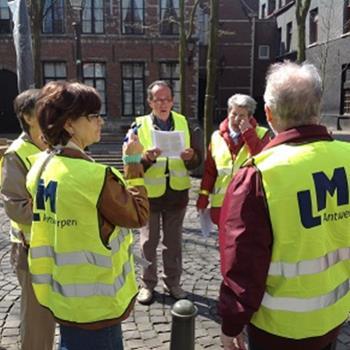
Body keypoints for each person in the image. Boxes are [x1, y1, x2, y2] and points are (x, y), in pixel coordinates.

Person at [219, 61, 350, 350]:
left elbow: (243, 264)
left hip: (279, 328)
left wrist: (231, 324)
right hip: (335, 314)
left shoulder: (260, 175)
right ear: (317, 106)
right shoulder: (347, 156)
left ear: (268, 114)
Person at [26, 81, 149, 350]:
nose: (100, 121)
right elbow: (138, 215)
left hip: (61, 293)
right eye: (93, 116)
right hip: (96, 303)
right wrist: (132, 164)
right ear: (69, 124)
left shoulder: (40, 166)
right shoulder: (96, 177)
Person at [133, 80, 201, 304]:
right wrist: (146, 158)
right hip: (150, 196)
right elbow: (129, 162)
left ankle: (173, 282)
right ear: (150, 102)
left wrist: (191, 157)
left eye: (167, 99)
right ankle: (146, 283)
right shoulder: (138, 126)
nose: (163, 103)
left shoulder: (184, 122)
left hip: (176, 195)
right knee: (147, 243)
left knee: (173, 243)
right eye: (158, 99)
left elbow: (198, 159)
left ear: (172, 101)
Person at [0, 89, 56, 350]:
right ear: (27, 117)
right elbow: (16, 207)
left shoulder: (53, 144)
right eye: (42, 108)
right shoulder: (16, 153)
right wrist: (58, 209)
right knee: (37, 319)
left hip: (58, 244)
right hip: (29, 248)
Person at [196, 94, 270, 225]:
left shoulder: (261, 134)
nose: (236, 119)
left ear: (250, 117)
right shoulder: (216, 137)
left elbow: (263, 161)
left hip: (248, 205)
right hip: (221, 206)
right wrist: (203, 196)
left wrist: (248, 133)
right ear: (228, 112)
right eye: (234, 114)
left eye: (242, 116)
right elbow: (210, 171)